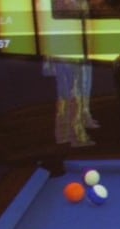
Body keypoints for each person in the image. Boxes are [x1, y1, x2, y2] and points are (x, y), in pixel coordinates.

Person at [42, 0, 99, 147]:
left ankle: (63, 134)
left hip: (61, 49)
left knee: (64, 94)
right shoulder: (74, 4)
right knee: (74, 93)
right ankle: (77, 136)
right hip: (71, 50)